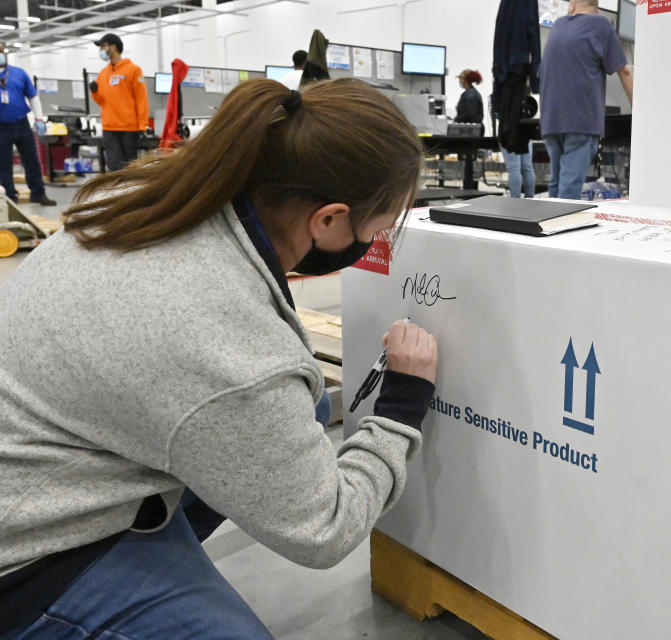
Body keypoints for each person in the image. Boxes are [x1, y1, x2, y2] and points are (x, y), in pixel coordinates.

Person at [0, 78, 435, 638]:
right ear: (328, 220)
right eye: (385, 223)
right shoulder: (229, 349)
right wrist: (400, 407)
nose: (384, 236)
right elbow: (325, 528)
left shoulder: (138, 198)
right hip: (32, 557)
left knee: (293, 421)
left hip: (45, 461)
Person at [539, 0, 633, 199]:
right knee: (569, 189)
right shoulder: (600, 24)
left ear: (571, 5)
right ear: (597, 9)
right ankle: (561, 226)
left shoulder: (558, 26)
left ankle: (549, 225)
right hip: (580, 119)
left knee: (556, 184)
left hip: (551, 120)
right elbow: (624, 70)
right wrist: (639, 110)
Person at [0, 44, 55, 206]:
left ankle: (38, 193)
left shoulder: (19, 73)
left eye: (2, 51)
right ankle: (9, 197)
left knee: (31, 159)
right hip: (1, 127)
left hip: (21, 123)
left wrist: (39, 118)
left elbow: (33, 97)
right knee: (3, 163)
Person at [89, 34, 149, 172]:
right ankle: (118, 193)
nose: (101, 51)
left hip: (129, 127)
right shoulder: (103, 73)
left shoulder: (133, 70)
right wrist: (95, 92)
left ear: (113, 47)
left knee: (131, 167)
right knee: (114, 167)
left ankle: (133, 193)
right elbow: (102, 101)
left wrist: (142, 124)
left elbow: (141, 98)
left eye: (103, 46)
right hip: (109, 127)